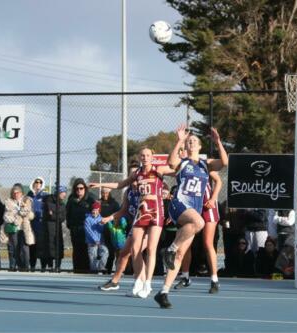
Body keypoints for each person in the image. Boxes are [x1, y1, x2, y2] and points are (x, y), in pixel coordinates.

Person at [155, 125, 228, 309]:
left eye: (194, 141)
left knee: (180, 255)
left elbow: (224, 163)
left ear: (200, 146)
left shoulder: (205, 164)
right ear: (186, 146)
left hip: (192, 210)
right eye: (189, 141)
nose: (191, 142)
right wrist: (179, 139)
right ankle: (169, 249)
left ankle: (163, 292)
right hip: (180, 204)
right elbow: (171, 162)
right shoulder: (183, 162)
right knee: (200, 222)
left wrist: (218, 142)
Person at [92, 148, 174, 298]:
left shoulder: (159, 169)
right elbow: (120, 184)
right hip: (142, 211)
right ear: (140, 157)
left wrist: (180, 153)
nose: (145, 157)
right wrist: (99, 184)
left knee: (151, 249)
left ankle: (148, 284)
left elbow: (176, 169)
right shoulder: (136, 174)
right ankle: (139, 282)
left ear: (152, 157)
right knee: (134, 249)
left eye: (148, 155)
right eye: (142, 155)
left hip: (156, 210)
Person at [173, 170, 222, 293]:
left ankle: (214, 280)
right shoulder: (183, 167)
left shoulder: (203, 165)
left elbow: (218, 181)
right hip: (191, 205)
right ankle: (185, 277)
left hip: (207, 206)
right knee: (184, 244)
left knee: (207, 243)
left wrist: (213, 198)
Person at [98, 162, 142, 292]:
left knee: (136, 252)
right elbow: (123, 210)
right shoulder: (128, 192)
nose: (134, 177)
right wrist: (109, 218)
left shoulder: (144, 189)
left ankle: (141, 282)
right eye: (131, 175)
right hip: (135, 226)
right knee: (124, 253)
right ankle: (115, 281)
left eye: (136, 174)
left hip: (147, 226)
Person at [0, 183, 35, 271]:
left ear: (21, 193)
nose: (16, 194)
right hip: (14, 228)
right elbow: (6, 216)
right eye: (14, 193)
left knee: (25, 249)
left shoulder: (27, 201)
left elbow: (30, 215)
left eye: (18, 192)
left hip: (24, 228)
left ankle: (25, 267)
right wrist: (18, 217)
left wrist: (23, 210)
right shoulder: (8, 202)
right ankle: (16, 266)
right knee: (14, 248)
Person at [66, 178, 96, 273]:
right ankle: (77, 270)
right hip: (75, 229)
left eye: (81, 188)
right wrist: (70, 225)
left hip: (87, 231)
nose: (79, 190)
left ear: (85, 188)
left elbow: (96, 214)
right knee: (76, 250)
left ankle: (87, 270)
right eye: (77, 188)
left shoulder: (90, 199)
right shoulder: (71, 199)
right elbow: (68, 213)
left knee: (86, 251)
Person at [42, 185, 67, 271]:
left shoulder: (62, 204)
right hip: (49, 228)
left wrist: (54, 214)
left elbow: (62, 217)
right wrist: (55, 215)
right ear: (59, 192)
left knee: (58, 246)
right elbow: (49, 214)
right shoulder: (48, 201)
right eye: (63, 192)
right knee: (49, 246)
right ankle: (50, 266)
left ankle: (58, 266)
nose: (64, 195)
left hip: (58, 228)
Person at [27, 177, 48, 271]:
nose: (38, 184)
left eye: (40, 182)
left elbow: (47, 208)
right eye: (36, 182)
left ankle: (43, 266)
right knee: (32, 246)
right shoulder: (29, 195)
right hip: (31, 225)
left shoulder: (45, 195)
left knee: (42, 247)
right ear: (33, 183)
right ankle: (32, 266)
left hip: (41, 225)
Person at [99, 187, 120, 274]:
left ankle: (108, 269)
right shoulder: (98, 202)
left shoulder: (114, 204)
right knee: (99, 251)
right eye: (103, 192)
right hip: (99, 230)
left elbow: (118, 215)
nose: (105, 194)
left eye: (106, 193)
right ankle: (99, 269)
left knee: (111, 251)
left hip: (110, 230)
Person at [84, 201, 109, 273]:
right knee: (93, 257)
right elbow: (88, 231)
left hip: (101, 241)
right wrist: (95, 239)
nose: (94, 212)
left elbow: (102, 230)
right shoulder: (87, 219)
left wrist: (101, 224)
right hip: (91, 242)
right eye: (93, 210)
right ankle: (94, 271)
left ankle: (101, 267)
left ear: (99, 211)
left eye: (96, 210)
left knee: (105, 252)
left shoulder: (101, 219)